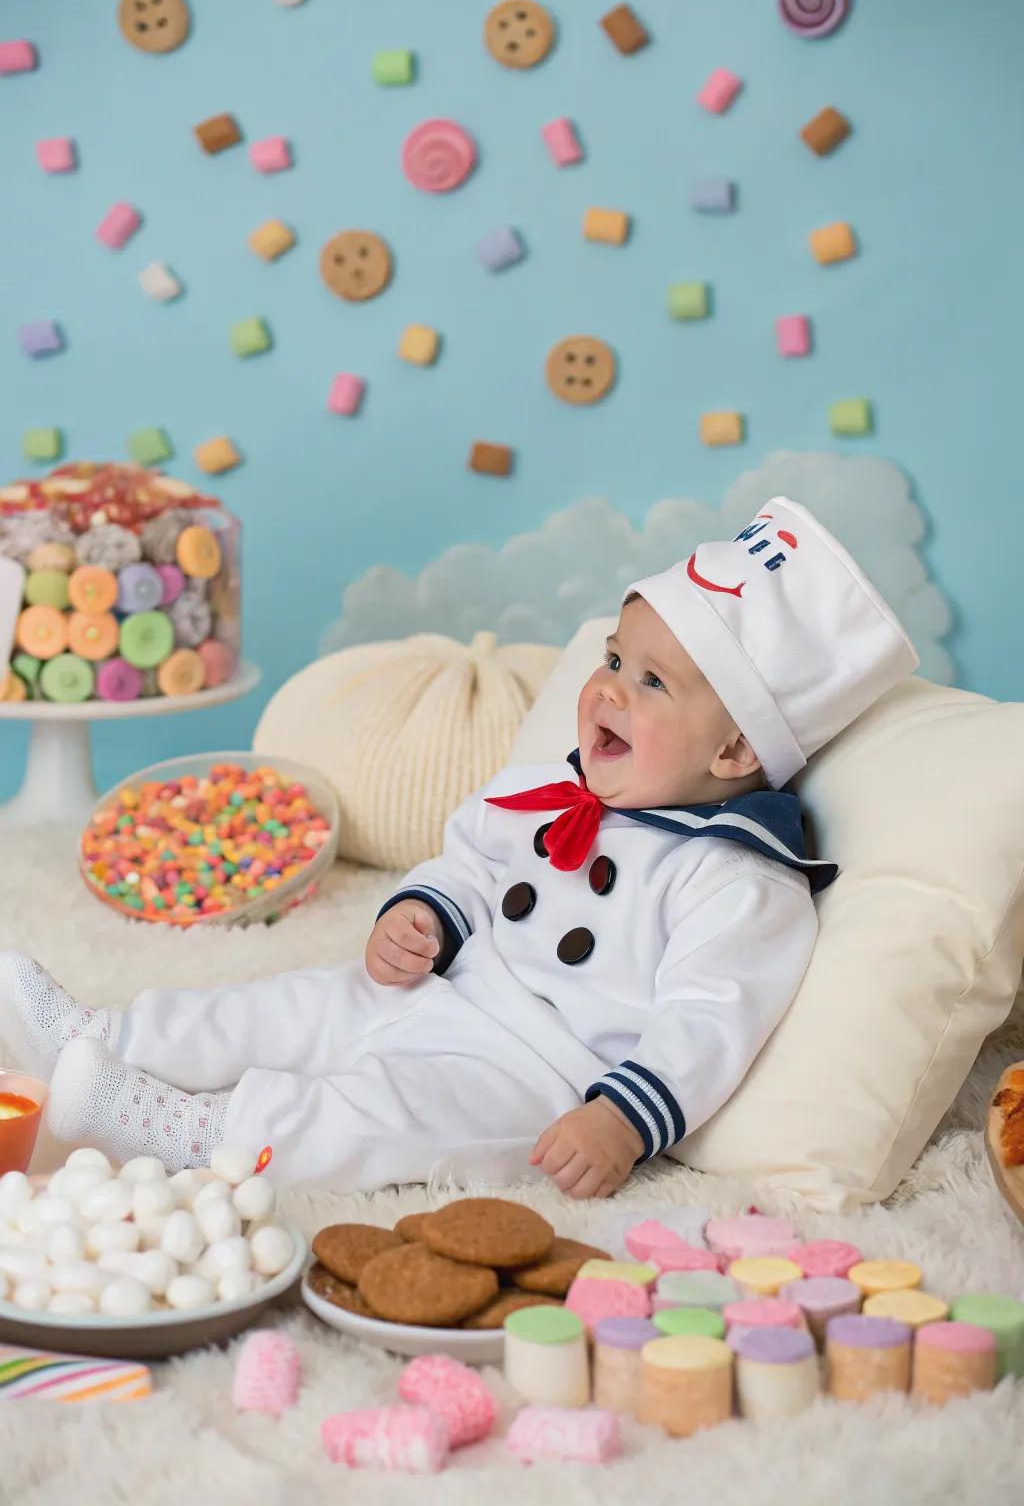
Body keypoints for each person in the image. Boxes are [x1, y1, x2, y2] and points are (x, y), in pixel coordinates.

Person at [0, 496, 918, 1199]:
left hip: (532, 1072)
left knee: (380, 1120)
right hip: (445, 985)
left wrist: (621, 1123)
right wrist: (422, 912)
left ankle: (191, 1132)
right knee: (283, 1006)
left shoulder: (734, 878)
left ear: (734, 750)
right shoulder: (558, 790)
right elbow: (473, 859)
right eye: (609, 659)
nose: (605, 692)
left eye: (650, 683)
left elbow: (709, 1023)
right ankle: (106, 1037)